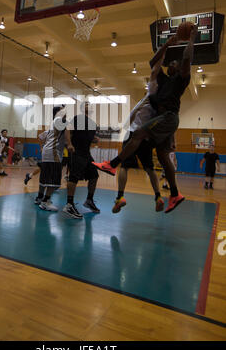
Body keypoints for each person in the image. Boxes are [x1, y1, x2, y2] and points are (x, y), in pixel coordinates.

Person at [93, 25, 198, 214]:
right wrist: (168, 43)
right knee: (163, 157)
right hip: (164, 121)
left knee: (139, 133)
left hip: (168, 117)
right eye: (171, 63)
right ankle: (174, 194)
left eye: (175, 63)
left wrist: (191, 39)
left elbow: (187, 59)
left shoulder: (181, 79)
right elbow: (153, 62)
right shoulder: (162, 81)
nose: (173, 64)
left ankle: (112, 164)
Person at [113, 53, 166, 214]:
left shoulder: (149, 96)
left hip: (133, 134)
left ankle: (120, 196)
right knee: (150, 169)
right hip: (146, 138)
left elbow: (154, 71)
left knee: (124, 166)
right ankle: (158, 196)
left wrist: (162, 53)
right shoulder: (162, 104)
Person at [63, 102, 100, 219]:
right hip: (76, 151)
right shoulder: (78, 118)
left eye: (90, 106)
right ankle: (69, 204)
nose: (89, 107)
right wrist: (69, 144)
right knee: (74, 177)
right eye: (86, 105)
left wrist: (95, 139)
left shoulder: (93, 124)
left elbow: (87, 136)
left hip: (86, 154)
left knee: (94, 175)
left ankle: (89, 200)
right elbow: (68, 130)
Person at [35, 106, 67, 211]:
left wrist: (41, 148)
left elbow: (40, 137)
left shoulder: (52, 125)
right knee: (53, 180)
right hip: (53, 153)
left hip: (47, 152)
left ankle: (39, 197)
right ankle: (46, 201)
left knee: (44, 177)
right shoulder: (59, 120)